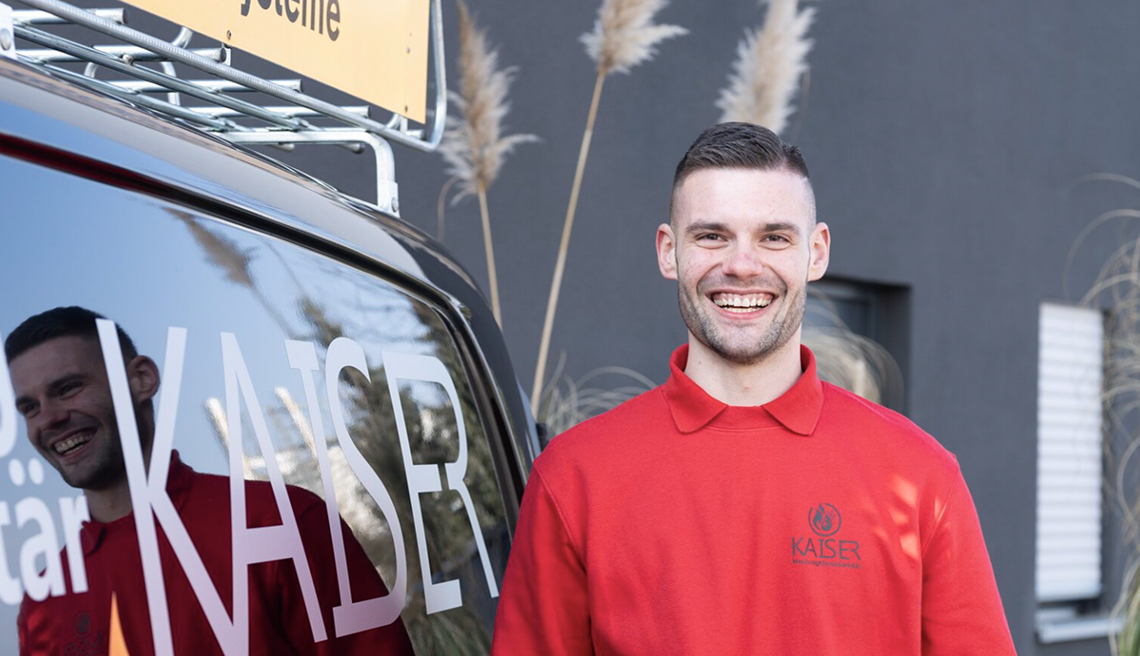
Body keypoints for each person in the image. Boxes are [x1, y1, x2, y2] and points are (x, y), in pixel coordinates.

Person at [491, 123, 1017, 655]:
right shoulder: (574, 477)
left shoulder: (920, 477)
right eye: (712, 235)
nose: (742, 265)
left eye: (774, 237)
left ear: (816, 253)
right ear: (668, 252)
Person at [6, 306, 414, 656]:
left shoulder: (279, 521)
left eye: (68, 388)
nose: (49, 419)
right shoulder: (45, 600)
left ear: (142, 379)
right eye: (29, 407)